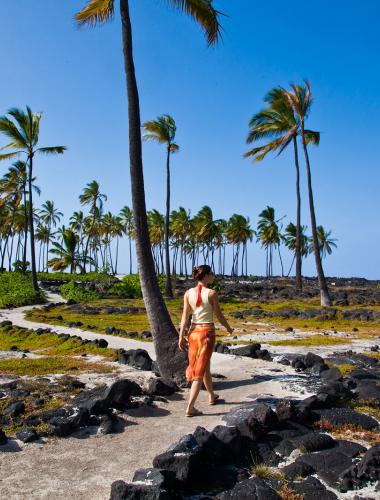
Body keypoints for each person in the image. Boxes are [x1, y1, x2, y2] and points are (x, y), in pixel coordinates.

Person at [178, 264, 234, 417]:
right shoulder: (212, 293)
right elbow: (219, 315)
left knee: (204, 365)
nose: (213, 276)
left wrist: (181, 335)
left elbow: (185, 317)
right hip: (207, 333)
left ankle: (211, 396)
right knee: (199, 371)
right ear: (206, 275)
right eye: (211, 273)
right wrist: (228, 328)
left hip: (193, 332)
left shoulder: (188, 293)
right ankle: (190, 407)